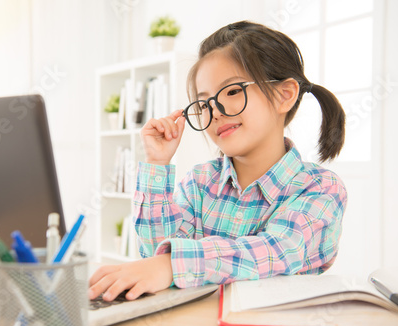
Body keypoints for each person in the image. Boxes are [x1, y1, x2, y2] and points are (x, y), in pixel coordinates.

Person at [89, 20, 348, 302]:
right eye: (203, 104)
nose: (215, 112)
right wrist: (157, 163)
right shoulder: (200, 182)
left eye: (233, 91)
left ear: (283, 95)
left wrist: (172, 264)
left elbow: (275, 251)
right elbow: (154, 256)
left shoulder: (320, 188)